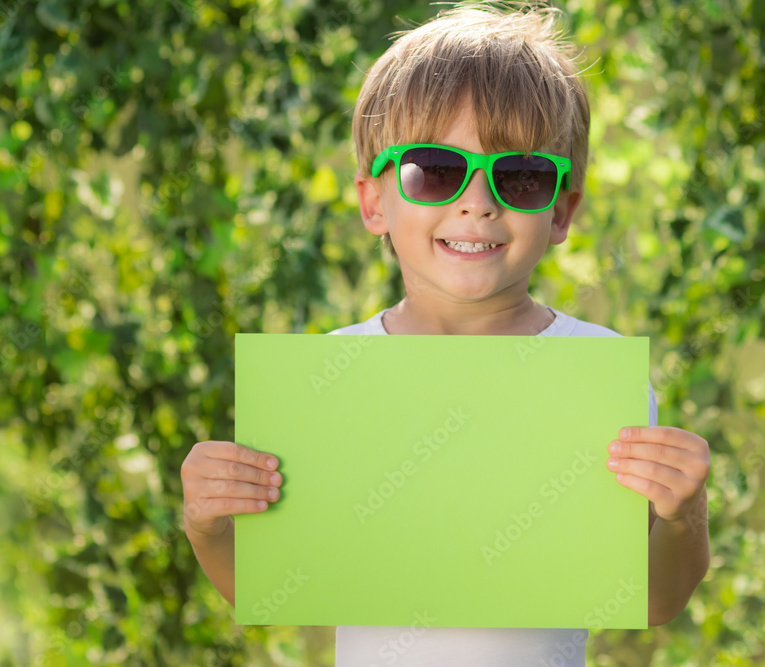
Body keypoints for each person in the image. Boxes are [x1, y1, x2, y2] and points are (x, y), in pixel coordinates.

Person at [181, 2, 711, 665]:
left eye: (519, 175)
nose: (477, 201)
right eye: (434, 169)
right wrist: (207, 524)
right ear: (375, 201)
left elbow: (655, 600)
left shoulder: (595, 371)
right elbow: (273, 587)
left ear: (561, 210)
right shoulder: (331, 374)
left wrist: (685, 513)